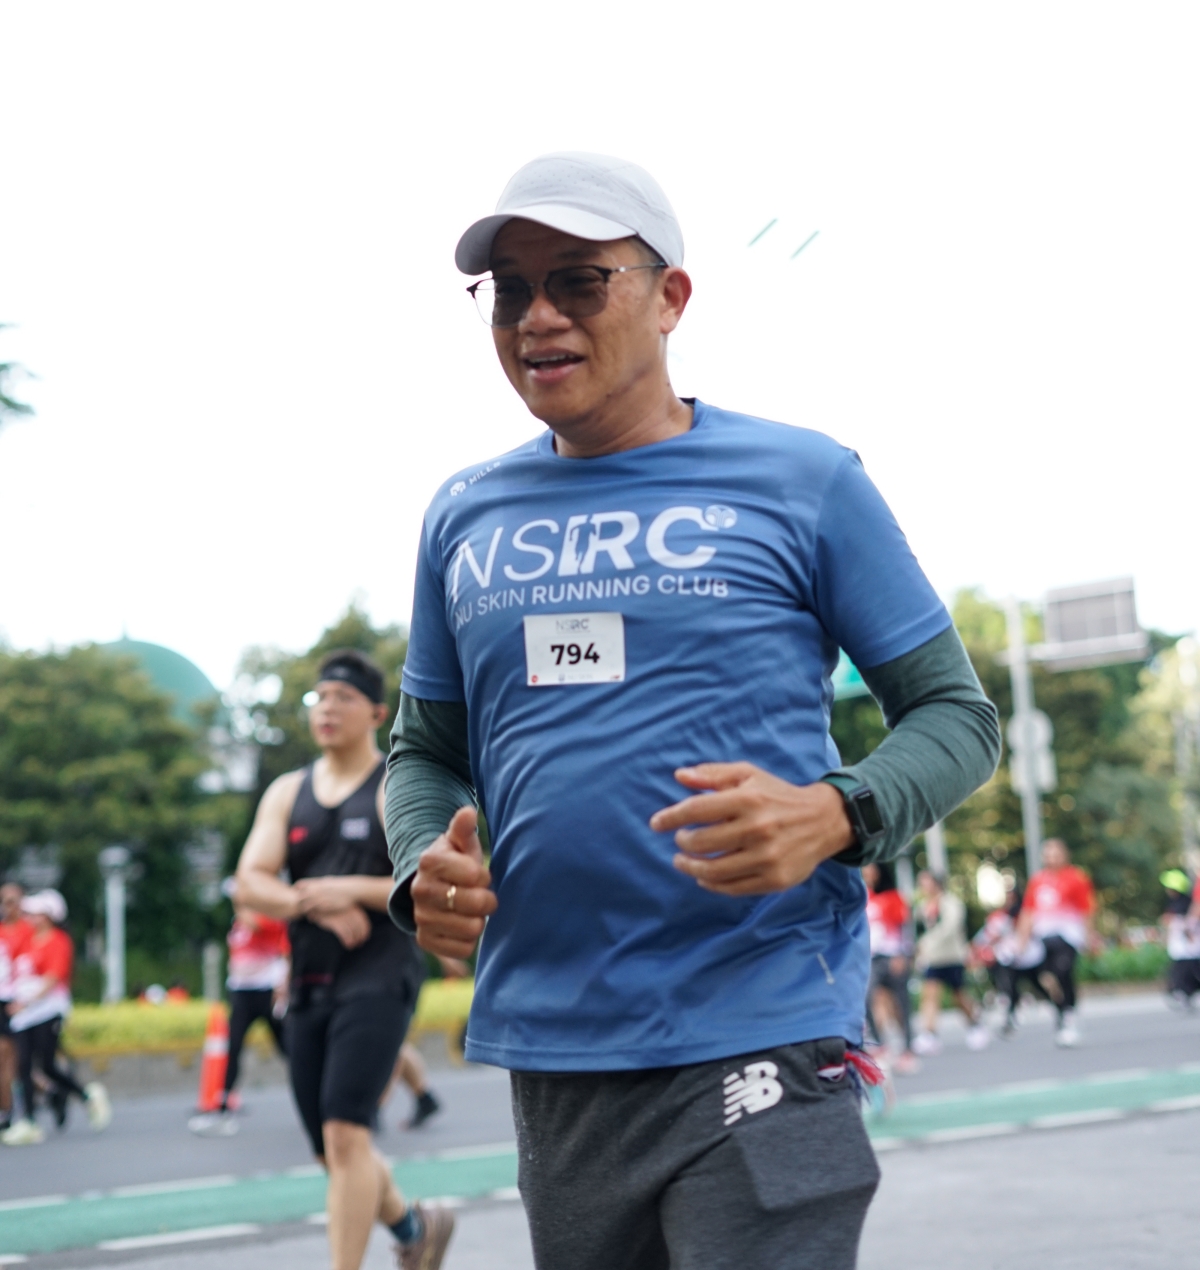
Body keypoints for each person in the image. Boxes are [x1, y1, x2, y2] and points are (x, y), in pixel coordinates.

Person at [384, 151, 1001, 1270]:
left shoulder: (805, 478)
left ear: (670, 297)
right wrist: (422, 859)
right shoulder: (462, 514)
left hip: (765, 1021)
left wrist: (837, 811)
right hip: (559, 1048)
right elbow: (423, 754)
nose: (537, 317)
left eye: (580, 282)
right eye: (510, 291)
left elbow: (957, 717)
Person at [236, 649, 454, 1270]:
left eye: (344, 698)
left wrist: (348, 890)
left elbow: (423, 876)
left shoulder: (393, 785)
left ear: (378, 714)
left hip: (380, 972)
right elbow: (250, 881)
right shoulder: (288, 791)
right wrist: (312, 903)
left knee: (345, 1132)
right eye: (320, 698)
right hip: (309, 978)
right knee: (329, 1151)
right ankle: (415, 1228)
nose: (327, 709)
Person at [1, 890, 110, 1145]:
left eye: (36, 913)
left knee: (47, 1065)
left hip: (48, 1010)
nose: (30, 917)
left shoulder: (58, 941)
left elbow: (52, 978)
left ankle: (86, 1096)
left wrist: (26, 1002)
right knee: (23, 1065)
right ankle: (28, 1121)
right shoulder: (28, 940)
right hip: (24, 1014)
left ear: (49, 916)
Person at [189, 888, 290, 1136]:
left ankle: (319, 1087)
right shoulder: (237, 924)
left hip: (265, 991)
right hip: (241, 993)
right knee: (233, 1047)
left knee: (289, 1046)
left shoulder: (268, 917)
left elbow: (257, 926)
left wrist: (242, 897)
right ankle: (223, 1105)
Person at [1016, 838, 1096, 1047]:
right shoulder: (1038, 881)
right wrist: (1022, 941)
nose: (1052, 858)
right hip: (1044, 937)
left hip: (1068, 936)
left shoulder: (1076, 878)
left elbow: (1087, 910)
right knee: (1046, 978)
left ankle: (1069, 1014)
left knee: (1062, 972)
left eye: (1056, 854)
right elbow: (1028, 912)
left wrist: (1089, 937)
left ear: (1065, 855)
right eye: (1048, 854)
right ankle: (1061, 1010)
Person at [911, 870, 989, 1052]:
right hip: (933, 959)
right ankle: (929, 1034)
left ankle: (975, 1025)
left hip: (952, 957)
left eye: (926, 882)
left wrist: (926, 942)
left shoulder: (951, 903)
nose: (923, 886)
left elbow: (950, 927)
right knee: (930, 995)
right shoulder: (922, 906)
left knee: (959, 996)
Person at [971, 887, 1050, 1035]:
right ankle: (1010, 1019)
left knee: (1038, 984)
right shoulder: (1001, 916)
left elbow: (1033, 931)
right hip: (1010, 958)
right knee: (1010, 987)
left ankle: (1061, 1008)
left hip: (1029, 957)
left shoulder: (1026, 914)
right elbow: (988, 935)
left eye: (1011, 897)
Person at [861, 863, 917, 1072]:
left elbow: (904, 928)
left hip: (892, 956)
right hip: (871, 958)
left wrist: (903, 954)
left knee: (901, 1004)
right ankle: (879, 1045)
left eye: (871, 869)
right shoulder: (863, 897)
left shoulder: (893, 897)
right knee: (866, 998)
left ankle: (908, 1049)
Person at [0, 881, 32, 1132]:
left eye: (11, 901)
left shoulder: (30, 930)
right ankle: (8, 1111)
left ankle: (42, 1092)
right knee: (4, 1057)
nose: (6, 906)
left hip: (22, 1000)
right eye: (3, 901)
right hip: (3, 999)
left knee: (17, 1060)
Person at [1160, 869, 1200, 1010]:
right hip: (1182, 945)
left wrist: (1188, 927)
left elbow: (1191, 917)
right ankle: (1181, 991)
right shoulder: (1175, 902)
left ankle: (1184, 991)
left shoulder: (1184, 903)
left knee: (1187, 968)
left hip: (1187, 945)